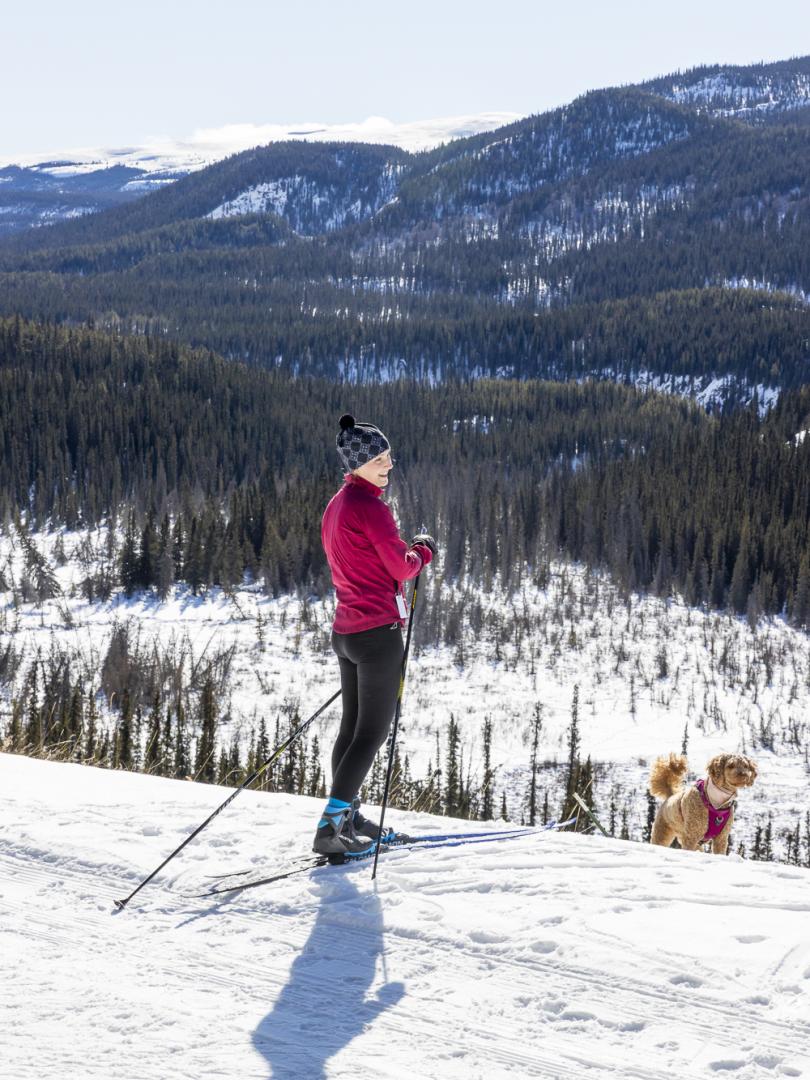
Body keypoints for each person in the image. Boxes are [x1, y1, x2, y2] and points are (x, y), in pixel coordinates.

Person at [314, 414, 437, 857]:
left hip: (346, 631)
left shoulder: (337, 505)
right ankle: (331, 826)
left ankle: (345, 815)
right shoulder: (371, 508)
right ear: (360, 463)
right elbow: (402, 566)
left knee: (351, 730)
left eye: (388, 456)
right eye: (381, 458)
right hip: (377, 634)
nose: (389, 465)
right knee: (372, 732)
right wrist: (422, 551)